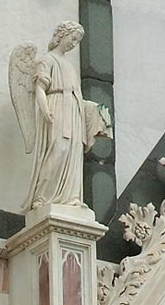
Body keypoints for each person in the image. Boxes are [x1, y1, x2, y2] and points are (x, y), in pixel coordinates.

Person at [22, 21, 107, 211]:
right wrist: (44, 109)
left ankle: (70, 197)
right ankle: (42, 197)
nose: (73, 43)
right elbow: (40, 88)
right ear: (62, 35)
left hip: (73, 111)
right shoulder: (47, 60)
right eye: (72, 38)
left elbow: (75, 93)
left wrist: (92, 110)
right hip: (56, 106)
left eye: (76, 41)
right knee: (58, 148)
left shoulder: (69, 66)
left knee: (72, 151)